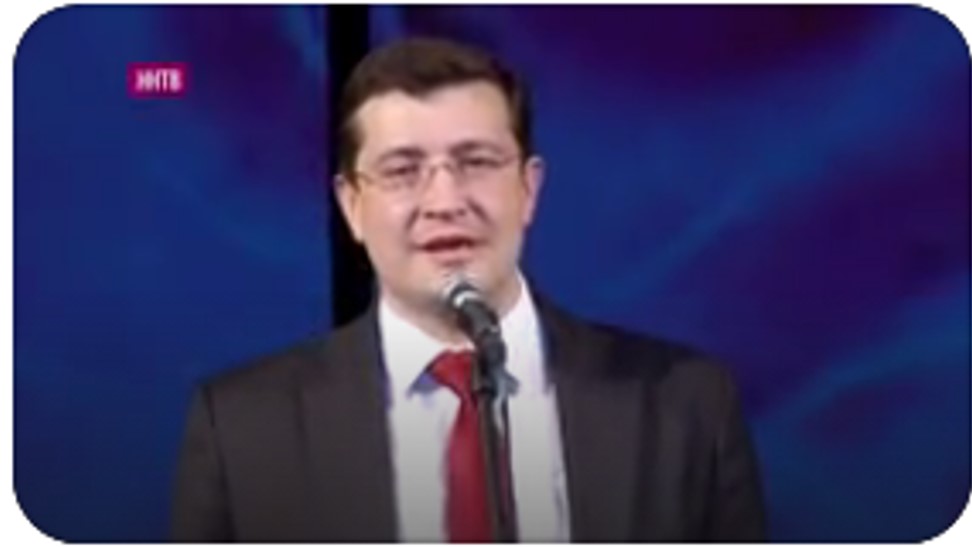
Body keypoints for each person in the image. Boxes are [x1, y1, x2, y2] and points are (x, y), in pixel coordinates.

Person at [171, 36, 766, 542]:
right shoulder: (243, 428)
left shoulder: (686, 404)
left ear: (528, 189)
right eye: (403, 171)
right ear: (352, 206)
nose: (445, 201)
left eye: (476, 162)